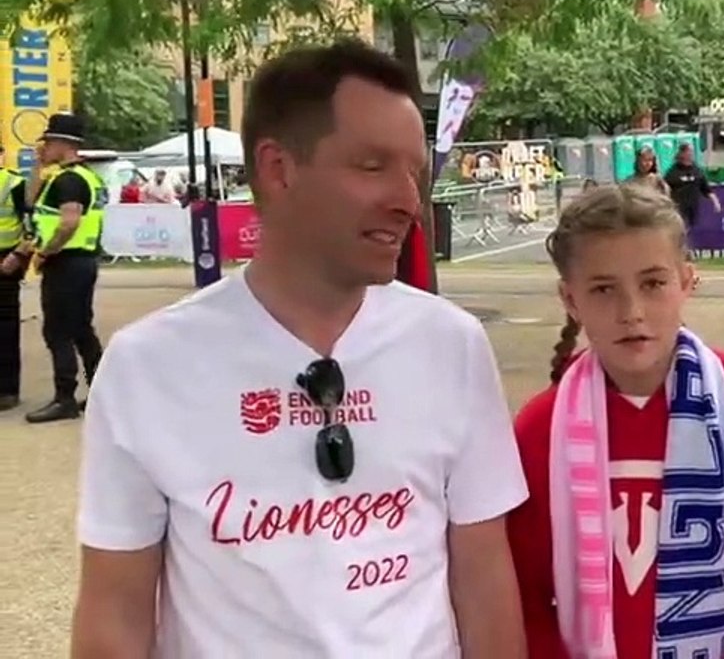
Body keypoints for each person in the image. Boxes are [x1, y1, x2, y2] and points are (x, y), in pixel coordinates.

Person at [71, 41, 528, 657]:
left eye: (414, 172)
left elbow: (483, 580)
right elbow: (114, 616)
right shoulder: (147, 366)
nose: (408, 200)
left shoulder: (453, 346)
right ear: (278, 168)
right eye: (373, 166)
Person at [507, 183, 724, 658]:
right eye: (602, 289)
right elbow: (518, 600)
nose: (631, 312)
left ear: (687, 281)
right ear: (570, 300)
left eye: (653, 283)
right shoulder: (540, 433)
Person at [25, 114, 106, 424]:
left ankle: (64, 398)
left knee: (57, 330)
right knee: (81, 328)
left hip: (66, 261)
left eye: (47, 142)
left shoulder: (68, 180)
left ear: (63, 144)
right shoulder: (83, 176)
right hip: (82, 261)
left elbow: (69, 221)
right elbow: (31, 202)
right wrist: (37, 166)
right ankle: (101, 391)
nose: (43, 147)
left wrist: (47, 251)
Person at [0, 144, 33, 411]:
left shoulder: (15, 184)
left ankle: (7, 391)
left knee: (5, 327)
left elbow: (32, 226)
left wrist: (19, 256)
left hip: (5, 263)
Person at [662, 142, 720, 233]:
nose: (690, 154)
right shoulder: (673, 172)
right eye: (688, 152)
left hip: (693, 208)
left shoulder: (697, 170)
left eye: (691, 152)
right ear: (681, 153)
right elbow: (665, 188)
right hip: (679, 209)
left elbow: (706, 189)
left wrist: (716, 202)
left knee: (692, 231)